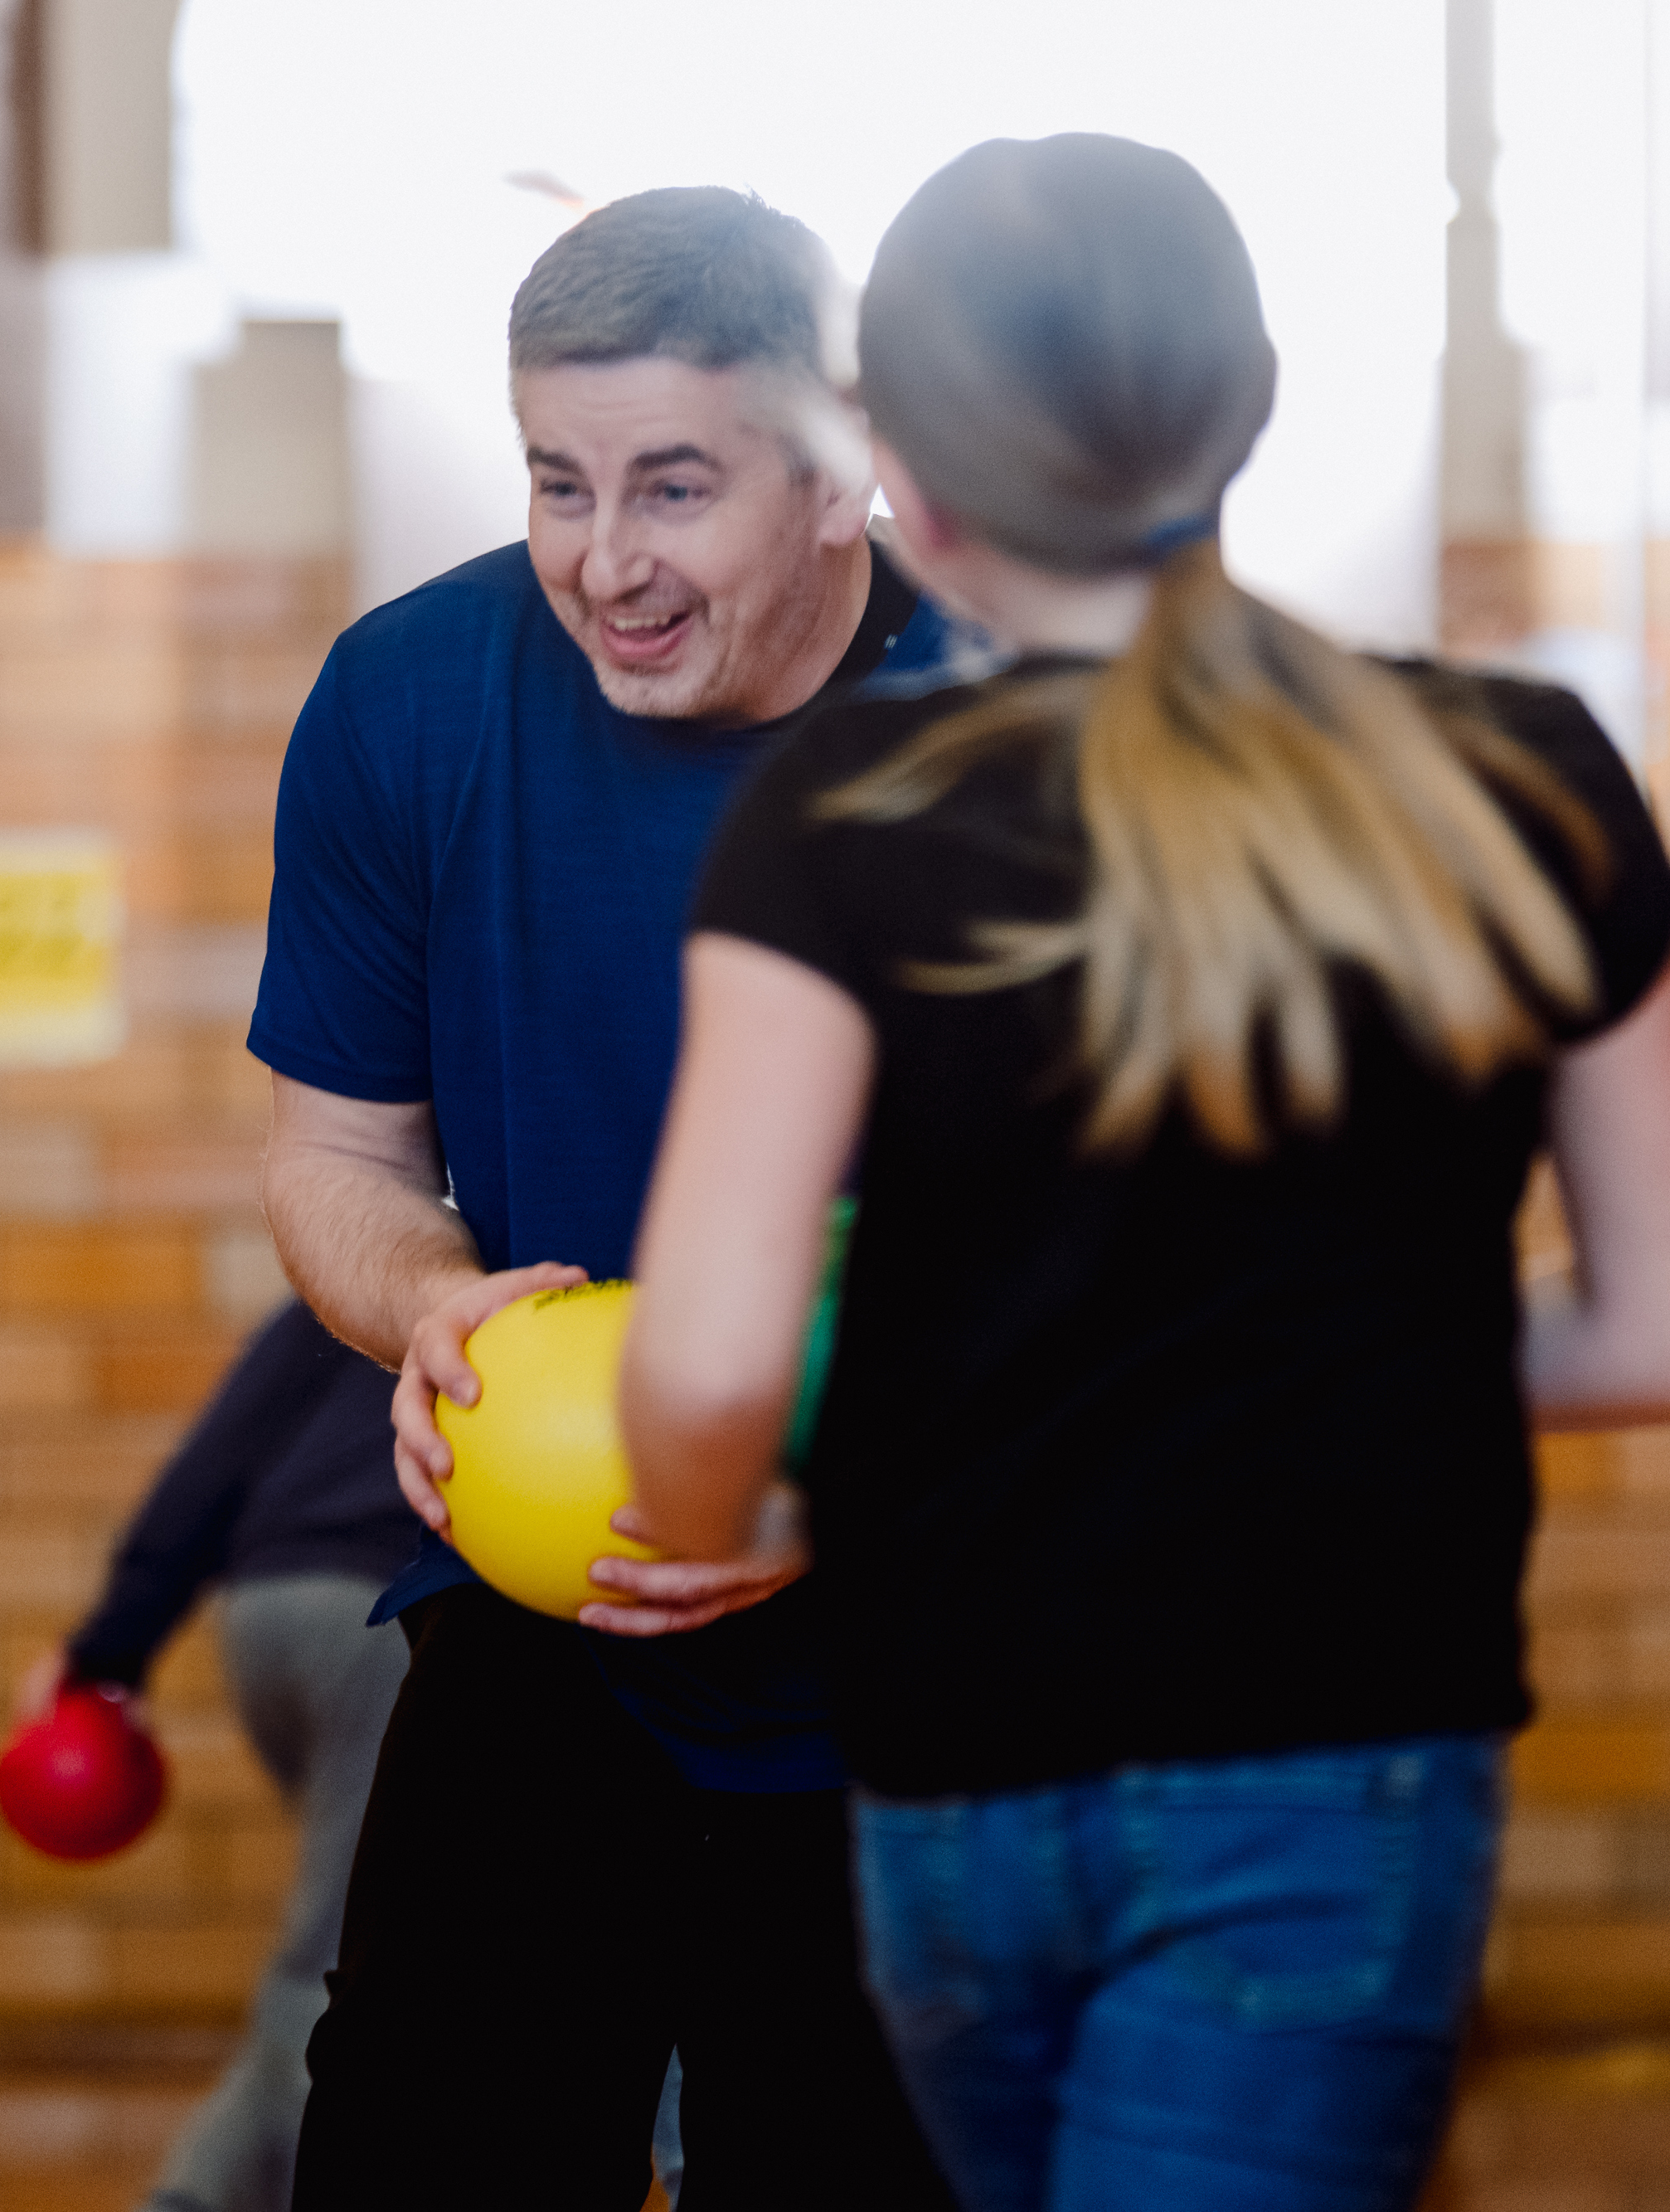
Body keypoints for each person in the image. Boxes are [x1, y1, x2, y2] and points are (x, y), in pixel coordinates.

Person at [619, 134, 1670, 2212]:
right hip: (1332, 1771)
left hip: (950, 1777)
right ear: (1250, 408)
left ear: (900, 477)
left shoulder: (839, 811)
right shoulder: (1521, 765)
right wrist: (1356, 1357)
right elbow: (1648, 1320)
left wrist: (701, 1526)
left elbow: (711, 1362)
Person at [252, 185, 968, 2209]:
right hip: (535, 1620)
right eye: (558, 483)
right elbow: (335, 1154)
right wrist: (428, 1308)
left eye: (673, 488)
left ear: (839, 469)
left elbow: (1161, 1284)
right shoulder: (409, 695)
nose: (603, 564)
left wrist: (863, 1478)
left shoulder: (1018, 736)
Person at [18, 1300, 410, 2212]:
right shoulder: (543, 1272)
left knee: (369, 1935)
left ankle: (201, 2195)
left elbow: (210, 1468)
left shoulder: (354, 1283)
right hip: (388, 1623)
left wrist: (108, 1653)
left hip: (266, 1617)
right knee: (344, 1957)